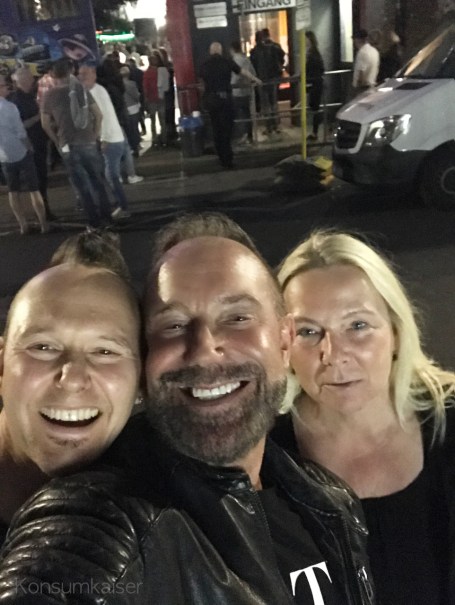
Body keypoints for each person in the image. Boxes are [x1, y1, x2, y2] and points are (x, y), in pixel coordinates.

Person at [0, 213, 375, 605]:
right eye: (174, 325)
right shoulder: (108, 517)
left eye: (237, 318)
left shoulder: (330, 501)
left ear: (284, 341)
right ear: (145, 365)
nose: (204, 349)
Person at [274, 230, 455, 605]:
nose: (333, 354)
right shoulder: (263, 455)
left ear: (396, 331)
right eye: (308, 331)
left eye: (357, 326)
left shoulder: (449, 419)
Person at [0, 229, 141, 547]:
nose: (73, 378)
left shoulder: (167, 505)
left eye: (105, 351)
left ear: (140, 382)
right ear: (1, 366)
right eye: (43, 347)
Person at [41, 58, 113, 228]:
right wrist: (95, 135)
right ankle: (107, 218)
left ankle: (94, 222)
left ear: (54, 75)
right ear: (70, 72)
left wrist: (57, 141)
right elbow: (98, 115)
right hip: (88, 140)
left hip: (68, 144)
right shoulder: (81, 90)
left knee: (82, 186)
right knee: (98, 182)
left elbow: (45, 124)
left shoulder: (49, 95)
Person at [78, 64, 131, 220]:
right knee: (108, 174)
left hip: (110, 139)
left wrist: (103, 138)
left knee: (111, 175)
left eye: (85, 74)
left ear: (93, 74)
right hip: (113, 137)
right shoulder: (97, 90)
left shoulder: (95, 92)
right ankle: (117, 204)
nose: (81, 77)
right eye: (80, 74)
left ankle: (122, 206)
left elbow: (102, 116)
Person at [0, 73, 48, 235]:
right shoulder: (9, 107)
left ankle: (23, 225)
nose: (8, 88)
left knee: (13, 191)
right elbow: (20, 131)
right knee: (34, 188)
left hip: (4, 155)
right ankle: (43, 223)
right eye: (4, 85)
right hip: (20, 151)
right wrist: (29, 146)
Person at [200, 42, 261, 169]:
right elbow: (242, 71)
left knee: (216, 128)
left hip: (211, 100)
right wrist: (255, 79)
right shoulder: (226, 62)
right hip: (225, 99)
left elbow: (201, 82)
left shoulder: (205, 64)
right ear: (220, 51)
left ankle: (221, 156)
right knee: (227, 129)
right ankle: (227, 158)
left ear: (211, 51)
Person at [10, 67, 56, 221]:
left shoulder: (29, 96)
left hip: (39, 141)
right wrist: (39, 116)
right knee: (37, 181)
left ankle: (44, 212)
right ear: (23, 80)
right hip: (31, 144)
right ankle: (43, 214)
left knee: (41, 178)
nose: (33, 80)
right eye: (30, 77)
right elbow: (20, 125)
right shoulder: (17, 101)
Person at [250, 28, 285, 135]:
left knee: (265, 104)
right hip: (272, 79)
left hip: (261, 80)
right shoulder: (273, 48)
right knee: (273, 103)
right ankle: (276, 125)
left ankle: (268, 127)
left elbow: (253, 67)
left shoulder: (254, 52)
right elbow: (282, 57)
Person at [230, 40, 256, 145]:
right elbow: (253, 73)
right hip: (247, 91)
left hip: (237, 92)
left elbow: (235, 77)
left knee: (240, 115)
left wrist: (231, 85)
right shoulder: (246, 59)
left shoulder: (235, 60)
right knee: (247, 114)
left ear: (232, 50)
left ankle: (244, 135)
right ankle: (249, 136)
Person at [143, 50, 169, 148]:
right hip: (161, 97)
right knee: (162, 120)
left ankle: (154, 140)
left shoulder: (147, 73)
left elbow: (145, 87)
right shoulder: (162, 71)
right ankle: (164, 140)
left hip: (151, 99)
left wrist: (146, 98)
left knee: (153, 120)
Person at [305, 31, 325, 141]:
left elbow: (316, 68)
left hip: (314, 83)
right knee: (314, 107)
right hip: (315, 83)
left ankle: (315, 131)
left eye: (306, 39)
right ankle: (315, 131)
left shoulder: (312, 53)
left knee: (315, 107)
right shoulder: (313, 52)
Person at [351, 29, 380, 96]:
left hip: (362, 88)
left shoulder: (362, 52)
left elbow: (361, 71)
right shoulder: (374, 51)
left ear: (356, 40)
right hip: (372, 85)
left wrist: (357, 88)